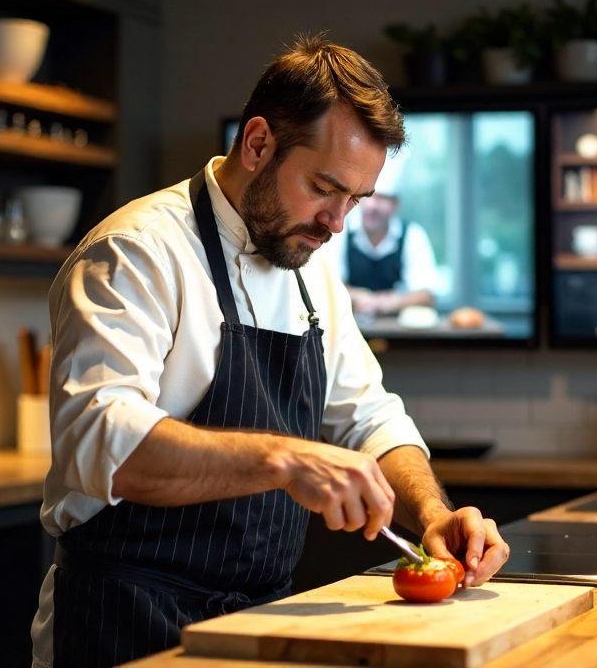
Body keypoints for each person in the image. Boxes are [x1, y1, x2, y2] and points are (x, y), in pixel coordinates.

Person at [30, 34, 509, 668]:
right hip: (124, 621)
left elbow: (369, 418)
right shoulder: (136, 252)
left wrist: (432, 515)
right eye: (323, 187)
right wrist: (284, 460)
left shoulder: (311, 271)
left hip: (260, 623)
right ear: (258, 143)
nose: (336, 223)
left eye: (355, 201)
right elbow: (101, 443)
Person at [332, 148, 440, 316]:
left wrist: (392, 303)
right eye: (367, 196)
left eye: (381, 198)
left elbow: (427, 295)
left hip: (399, 335)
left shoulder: (413, 235)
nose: (372, 206)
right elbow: (325, 285)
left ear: (395, 204)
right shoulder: (340, 231)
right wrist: (357, 296)